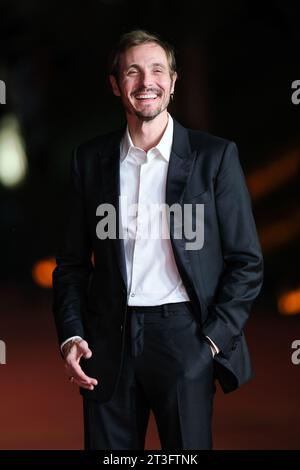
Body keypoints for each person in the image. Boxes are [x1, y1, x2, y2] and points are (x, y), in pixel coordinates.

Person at [52, 29, 264, 450]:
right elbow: (72, 264)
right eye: (132, 71)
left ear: (173, 81)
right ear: (116, 84)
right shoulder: (90, 160)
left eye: (157, 70)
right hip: (107, 342)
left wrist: (210, 342)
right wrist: (72, 335)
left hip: (185, 337)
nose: (146, 81)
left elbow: (247, 262)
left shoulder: (215, 157)